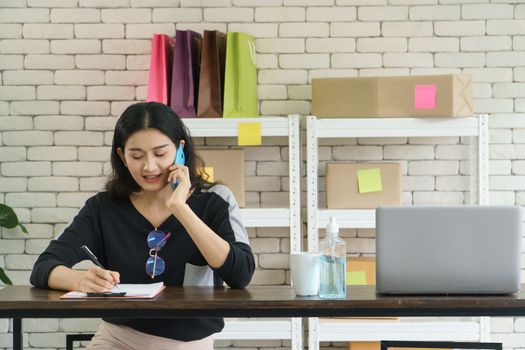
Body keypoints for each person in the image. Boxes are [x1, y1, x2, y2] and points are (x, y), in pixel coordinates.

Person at [30, 101, 255, 350]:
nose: (149, 166)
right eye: (136, 156)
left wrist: (180, 208)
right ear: (122, 157)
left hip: (187, 343)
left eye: (160, 153)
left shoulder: (217, 200)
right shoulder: (103, 207)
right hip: (117, 338)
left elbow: (241, 274)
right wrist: (79, 280)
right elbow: (44, 267)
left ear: (180, 149)